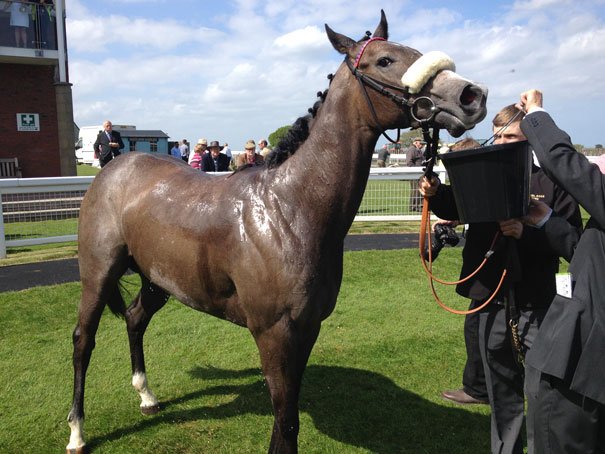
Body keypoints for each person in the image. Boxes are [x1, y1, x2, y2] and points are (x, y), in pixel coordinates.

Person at [421, 104, 582, 454]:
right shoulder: (483, 170)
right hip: (490, 295)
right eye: (499, 135)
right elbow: (458, 207)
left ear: (531, 141)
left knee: (545, 389)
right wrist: (437, 195)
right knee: (501, 387)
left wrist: (528, 232)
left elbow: (575, 243)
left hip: (538, 299)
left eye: (511, 136)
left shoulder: (554, 183)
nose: (502, 142)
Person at [516, 89, 605, 453]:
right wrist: (548, 220)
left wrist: (536, 112)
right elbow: (590, 252)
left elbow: (564, 163)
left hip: (581, 364)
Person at [406, 137, 425, 212]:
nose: (422, 145)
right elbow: (409, 162)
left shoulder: (418, 150)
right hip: (414, 173)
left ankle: (415, 206)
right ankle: (414, 206)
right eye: (421, 143)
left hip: (418, 173)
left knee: (417, 190)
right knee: (416, 190)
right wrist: (416, 169)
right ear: (415, 142)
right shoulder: (412, 149)